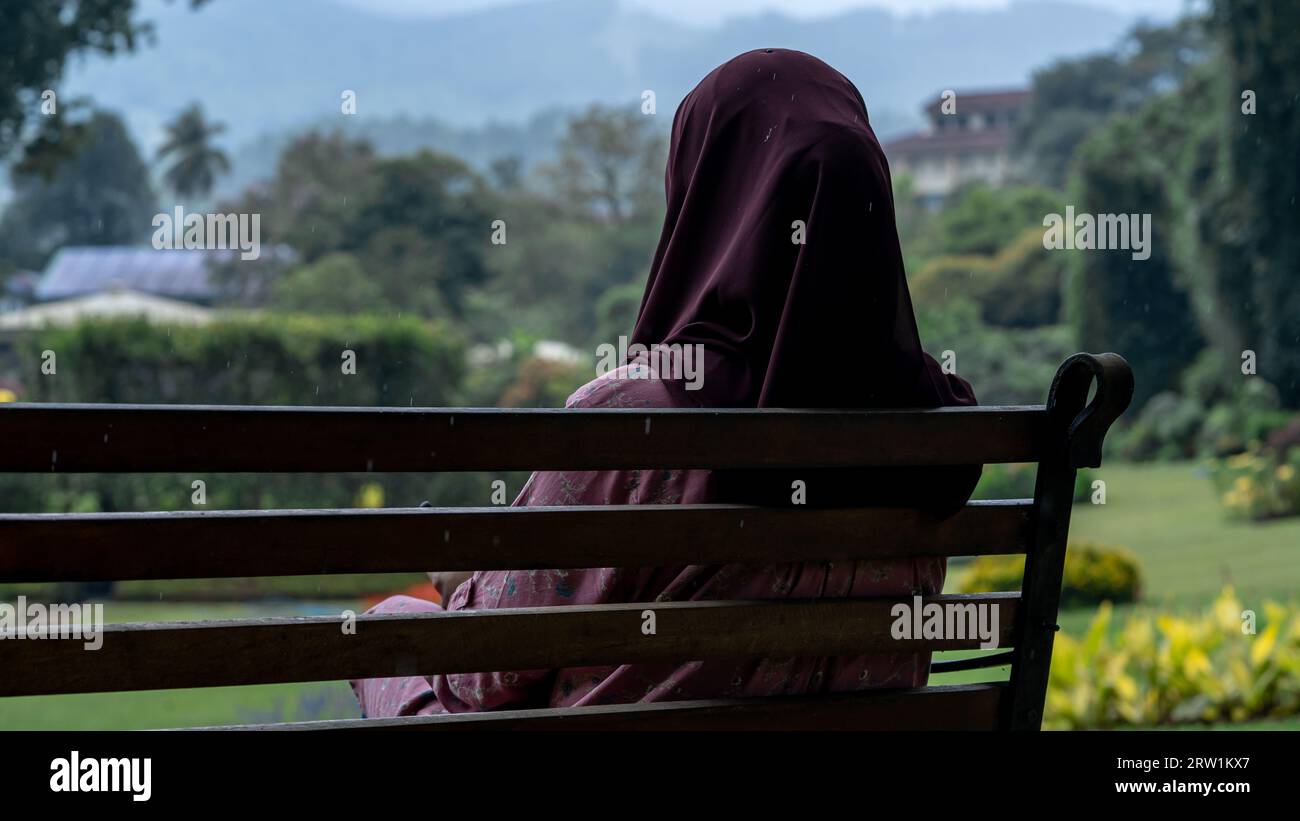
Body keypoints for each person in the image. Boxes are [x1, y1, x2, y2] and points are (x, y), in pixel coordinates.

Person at [351, 47, 980, 718]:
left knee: (377, 629)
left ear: (709, 196)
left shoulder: (633, 419)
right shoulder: (938, 429)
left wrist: (458, 588)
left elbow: (481, 673)